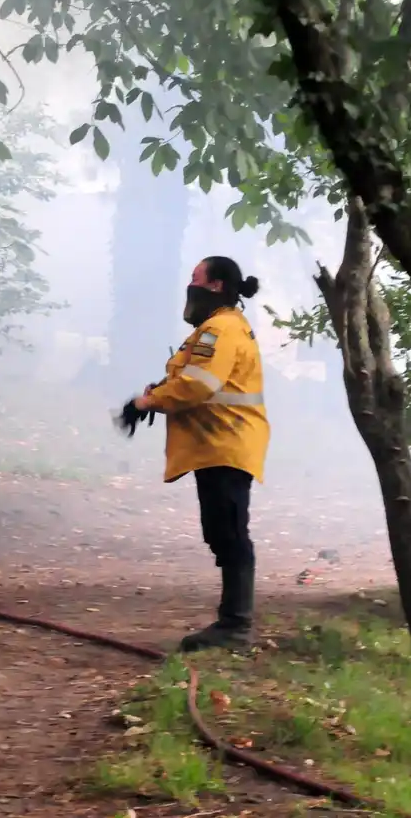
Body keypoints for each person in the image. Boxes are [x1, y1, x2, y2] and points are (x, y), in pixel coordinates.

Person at [119, 256, 269, 652]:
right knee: (221, 532)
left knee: (231, 533)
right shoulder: (220, 327)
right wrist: (157, 394)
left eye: (195, 279)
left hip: (226, 442)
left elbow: (198, 385)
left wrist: (148, 402)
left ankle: (235, 628)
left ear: (216, 285)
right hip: (218, 443)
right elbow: (191, 379)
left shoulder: (218, 329)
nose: (190, 286)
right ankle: (231, 624)